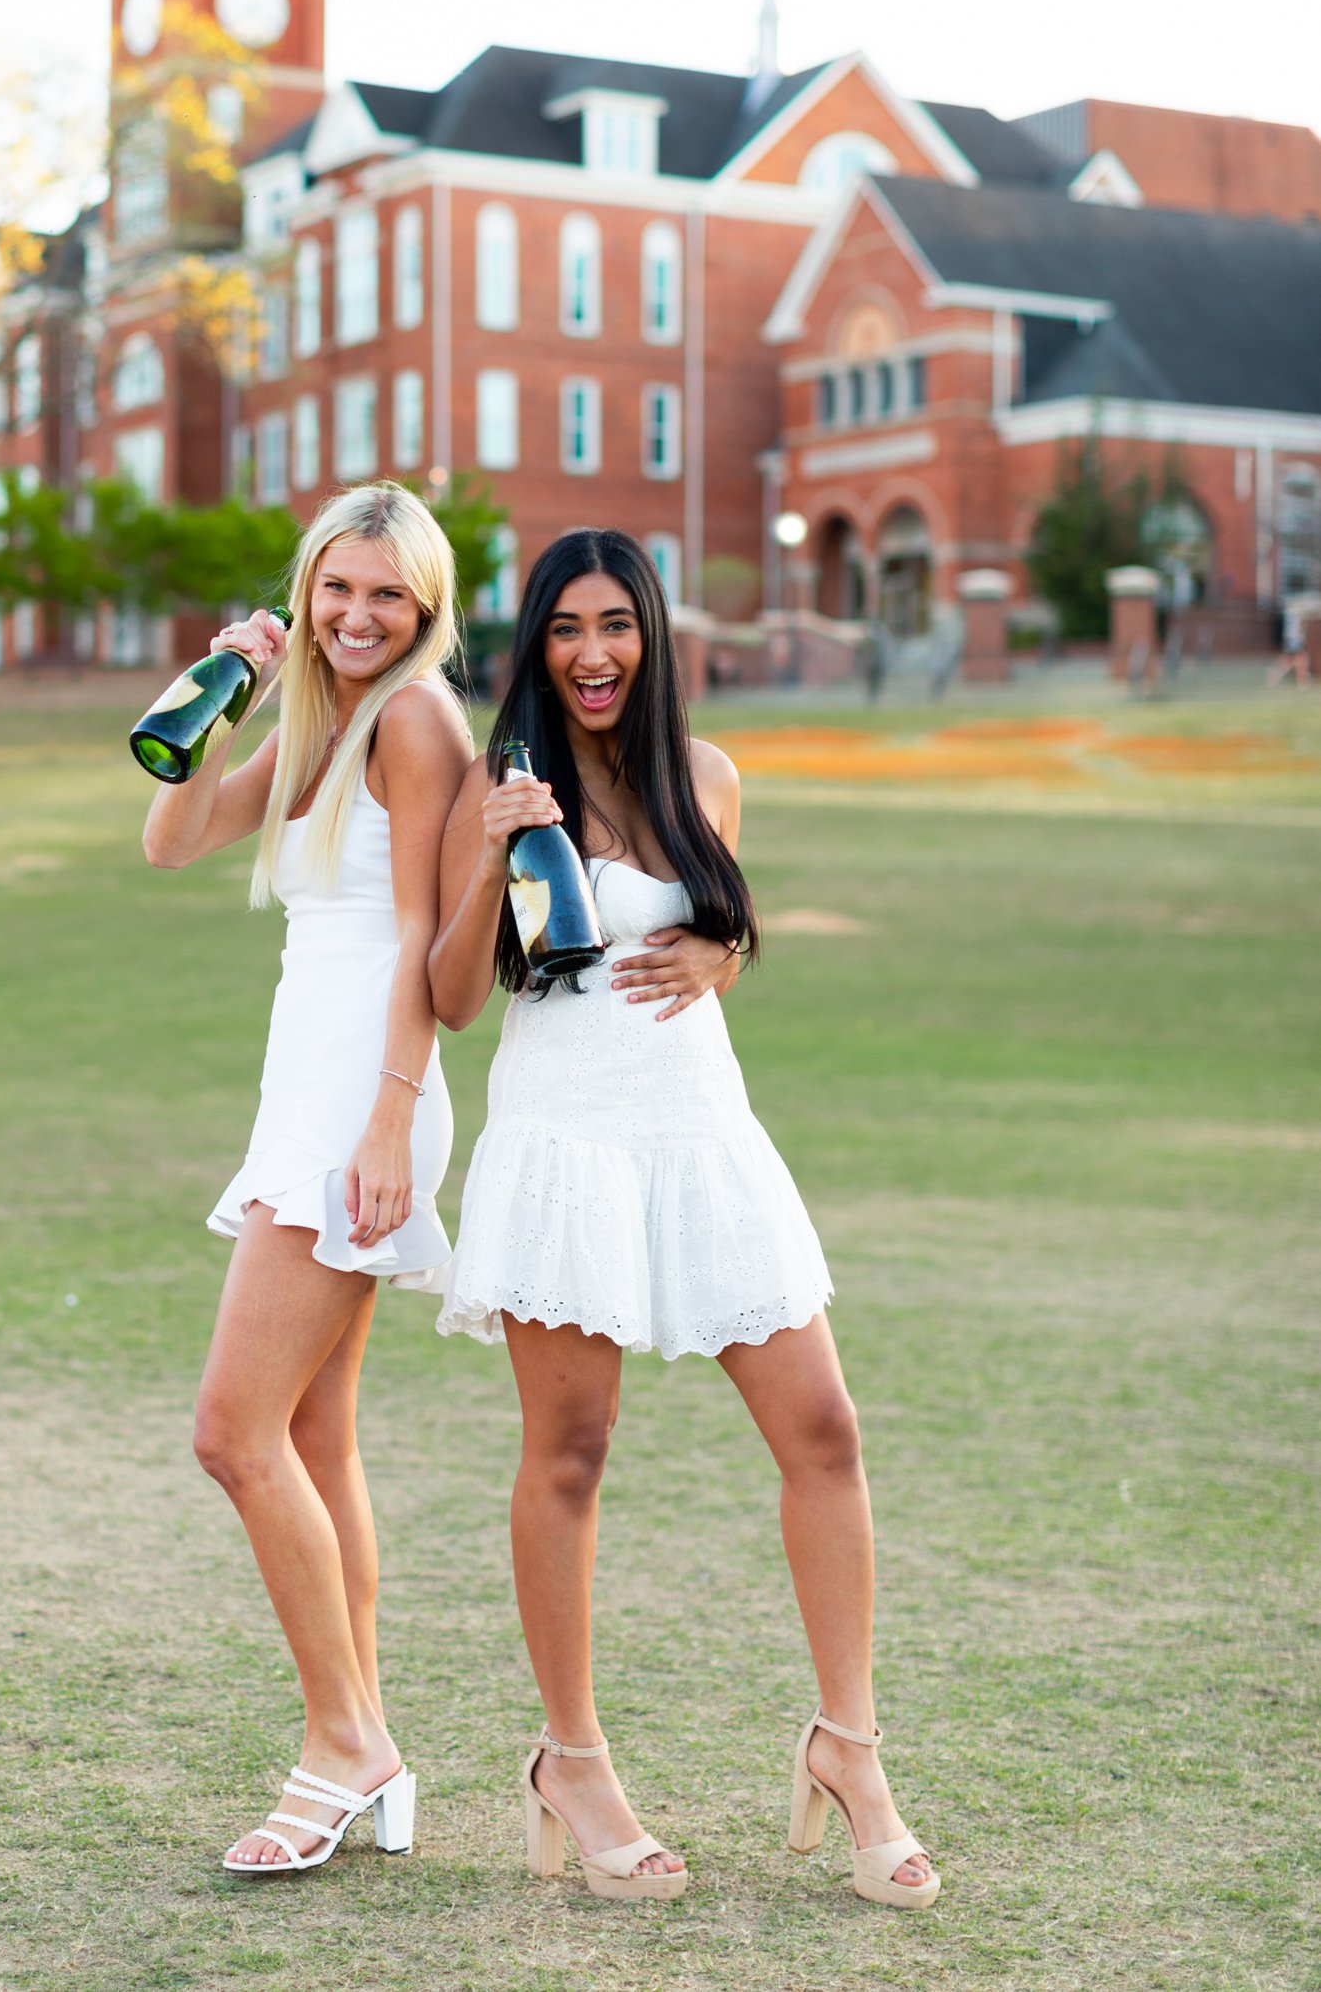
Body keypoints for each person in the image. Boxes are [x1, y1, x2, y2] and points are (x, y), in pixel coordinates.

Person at [430, 528, 938, 1911]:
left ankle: (850, 1750)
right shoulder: (498, 783)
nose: (591, 654)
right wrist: (486, 860)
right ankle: (571, 1762)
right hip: (562, 1141)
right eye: (563, 630)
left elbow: (714, 934)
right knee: (572, 1452)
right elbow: (453, 998)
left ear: (651, 635)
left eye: (615, 625)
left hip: (703, 1137)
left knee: (823, 1431)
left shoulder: (704, 775)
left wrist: (729, 946)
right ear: (532, 645)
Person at [141, 482, 471, 1876]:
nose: (356, 615)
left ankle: (345, 1743)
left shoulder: (413, 719)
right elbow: (169, 839)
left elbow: (425, 945)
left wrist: (387, 1130)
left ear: (426, 609)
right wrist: (220, 690)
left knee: (232, 1431)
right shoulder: (322, 717)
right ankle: (366, 1740)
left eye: (386, 595)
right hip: (307, 1089)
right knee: (315, 1440)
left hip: (361, 1102)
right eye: (335, 589)